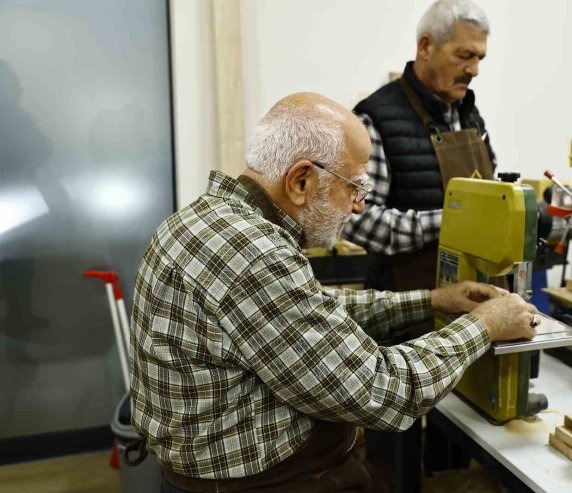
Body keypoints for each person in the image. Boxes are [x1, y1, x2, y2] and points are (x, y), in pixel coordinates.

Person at [129, 92, 537, 493]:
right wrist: (483, 326)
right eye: (354, 188)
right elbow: (383, 392)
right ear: (301, 181)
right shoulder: (256, 255)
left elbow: (312, 312)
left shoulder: (205, 219)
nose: (358, 207)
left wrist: (431, 301)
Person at [344, 0, 496, 293]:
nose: (474, 70)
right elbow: (357, 220)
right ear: (426, 46)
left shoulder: (469, 116)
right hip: (407, 306)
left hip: (473, 297)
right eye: (465, 55)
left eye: (479, 58)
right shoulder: (376, 117)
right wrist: (451, 221)